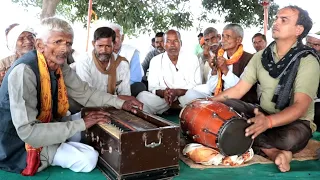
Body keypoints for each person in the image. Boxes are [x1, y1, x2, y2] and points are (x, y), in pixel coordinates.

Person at [0, 17, 142, 176]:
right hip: (21, 145)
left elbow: (85, 93)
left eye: (68, 44)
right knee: (88, 159)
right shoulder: (24, 72)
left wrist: (120, 103)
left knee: (93, 120)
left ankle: (64, 142)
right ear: (40, 45)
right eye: (58, 42)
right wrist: (81, 124)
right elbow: (28, 132)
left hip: (49, 124)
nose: (64, 49)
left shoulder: (58, 64)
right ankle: (53, 152)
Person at [211, 6, 319, 172]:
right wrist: (209, 101)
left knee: (289, 139)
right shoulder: (261, 56)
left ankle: (260, 143)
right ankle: (274, 152)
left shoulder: (308, 60)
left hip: (295, 122)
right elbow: (239, 90)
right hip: (262, 112)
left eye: (284, 20)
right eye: (276, 18)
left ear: (299, 29)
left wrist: (267, 123)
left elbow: (300, 106)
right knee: (227, 106)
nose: (276, 23)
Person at [181, 24, 257, 107]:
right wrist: (214, 70)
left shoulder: (250, 59)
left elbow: (240, 90)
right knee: (189, 95)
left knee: (228, 103)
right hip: (218, 98)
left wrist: (225, 70)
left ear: (238, 40)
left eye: (228, 37)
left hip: (240, 102)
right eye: (223, 36)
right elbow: (212, 88)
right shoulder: (219, 56)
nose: (223, 40)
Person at [137, 30, 202, 114]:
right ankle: (176, 108)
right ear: (164, 45)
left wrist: (177, 92)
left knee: (195, 96)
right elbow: (152, 88)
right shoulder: (155, 61)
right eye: (168, 41)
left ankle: (173, 107)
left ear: (180, 43)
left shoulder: (192, 58)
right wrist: (164, 93)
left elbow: (197, 86)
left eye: (175, 41)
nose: (172, 45)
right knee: (142, 97)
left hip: (185, 97)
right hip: (164, 100)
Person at [76, 27, 130, 96]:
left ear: (114, 45)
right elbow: (87, 94)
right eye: (100, 46)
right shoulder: (84, 61)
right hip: (89, 104)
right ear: (93, 44)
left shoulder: (122, 64)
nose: (104, 50)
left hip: (115, 105)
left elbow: (125, 94)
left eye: (108, 46)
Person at [106, 23, 146, 97]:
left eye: (116, 36)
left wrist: (119, 88)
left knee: (139, 86)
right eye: (110, 37)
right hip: (106, 88)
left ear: (122, 38)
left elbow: (135, 79)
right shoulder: (103, 51)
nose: (113, 40)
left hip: (127, 88)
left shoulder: (132, 52)